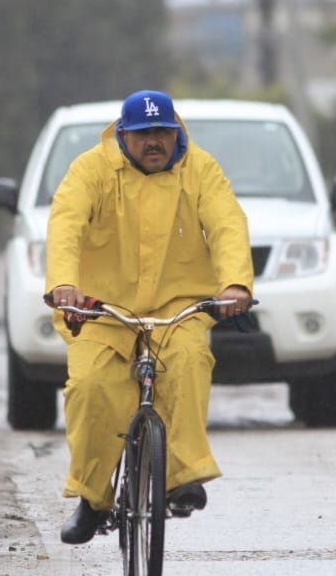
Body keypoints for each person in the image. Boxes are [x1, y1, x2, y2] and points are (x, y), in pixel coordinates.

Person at [45, 89, 254, 544]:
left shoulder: (200, 169)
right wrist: (64, 282)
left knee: (188, 363)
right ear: (123, 135)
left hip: (177, 308)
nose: (155, 142)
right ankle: (93, 499)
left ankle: (182, 478)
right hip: (102, 309)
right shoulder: (90, 170)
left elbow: (226, 224)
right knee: (91, 387)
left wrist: (235, 282)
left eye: (163, 132)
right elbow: (66, 225)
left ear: (176, 131)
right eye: (144, 134)